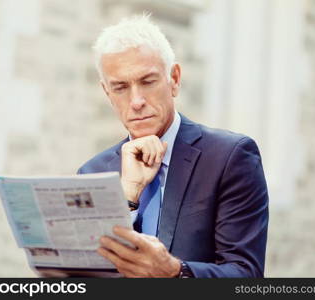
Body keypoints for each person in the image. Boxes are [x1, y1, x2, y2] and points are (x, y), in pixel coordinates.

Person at [78, 14, 269, 278]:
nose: (136, 101)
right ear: (107, 93)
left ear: (174, 79)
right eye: (120, 87)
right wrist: (127, 195)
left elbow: (245, 274)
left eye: (147, 81)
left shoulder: (229, 157)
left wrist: (175, 272)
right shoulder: (92, 174)